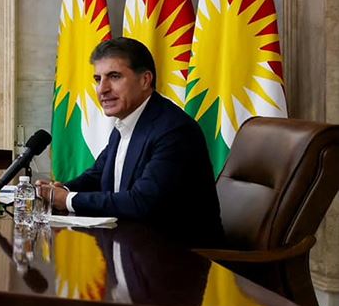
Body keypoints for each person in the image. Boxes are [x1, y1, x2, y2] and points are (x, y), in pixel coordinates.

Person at [36, 37, 221, 246]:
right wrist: (59, 191)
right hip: (133, 246)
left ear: (145, 80)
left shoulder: (174, 130)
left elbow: (142, 201)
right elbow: (98, 175)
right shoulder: (127, 122)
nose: (102, 89)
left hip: (179, 255)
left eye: (114, 76)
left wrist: (67, 200)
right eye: (97, 79)